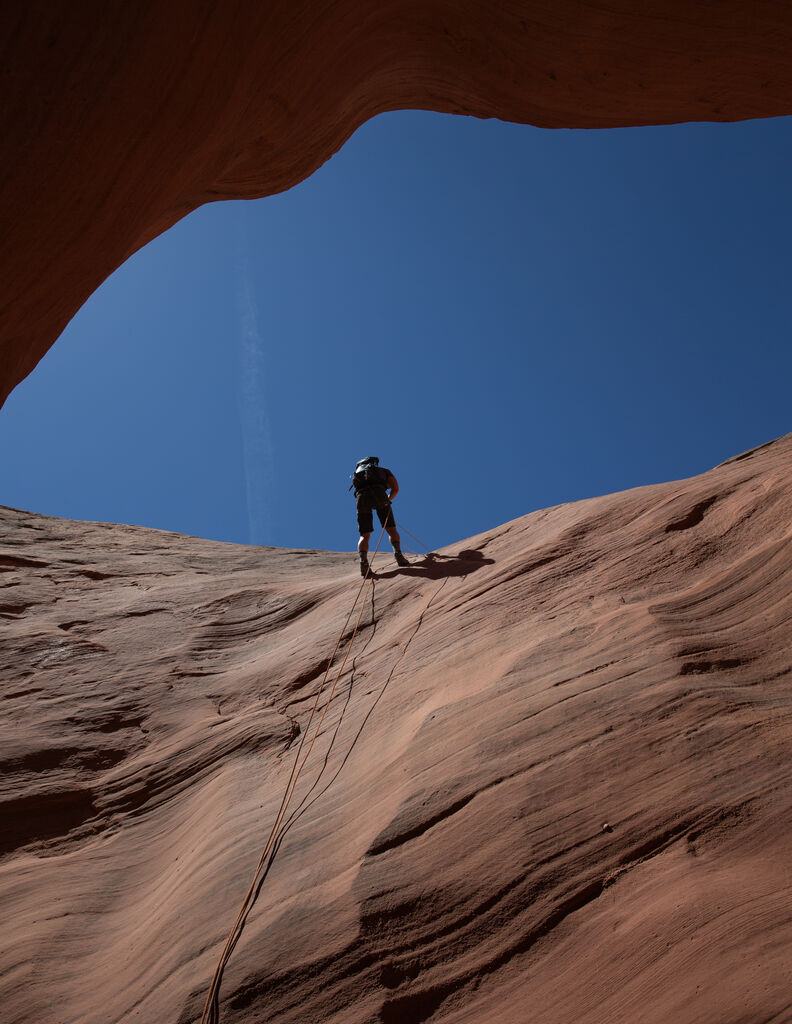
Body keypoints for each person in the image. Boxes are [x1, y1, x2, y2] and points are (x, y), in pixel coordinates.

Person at [351, 456, 409, 575]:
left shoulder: (358, 474)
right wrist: (388, 499)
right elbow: (395, 489)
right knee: (391, 529)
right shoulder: (383, 471)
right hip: (380, 496)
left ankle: (363, 561)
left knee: (364, 535)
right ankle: (398, 555)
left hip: (361, 499)